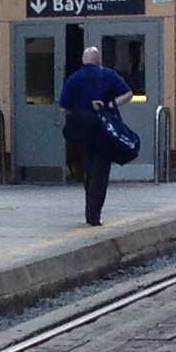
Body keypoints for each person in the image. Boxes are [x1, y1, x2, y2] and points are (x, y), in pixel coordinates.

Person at [58, 43, 131, 227]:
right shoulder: (107, 75)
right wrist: (111, 105)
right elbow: (128, 93)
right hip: (103, 130)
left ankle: (89, 206)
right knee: (100, 171)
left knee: (88, 169)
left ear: (84, 60)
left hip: (82, 132)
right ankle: (94, 214)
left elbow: (63, 108)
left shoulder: (74, 78)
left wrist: (78, 113)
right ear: (98, 60)